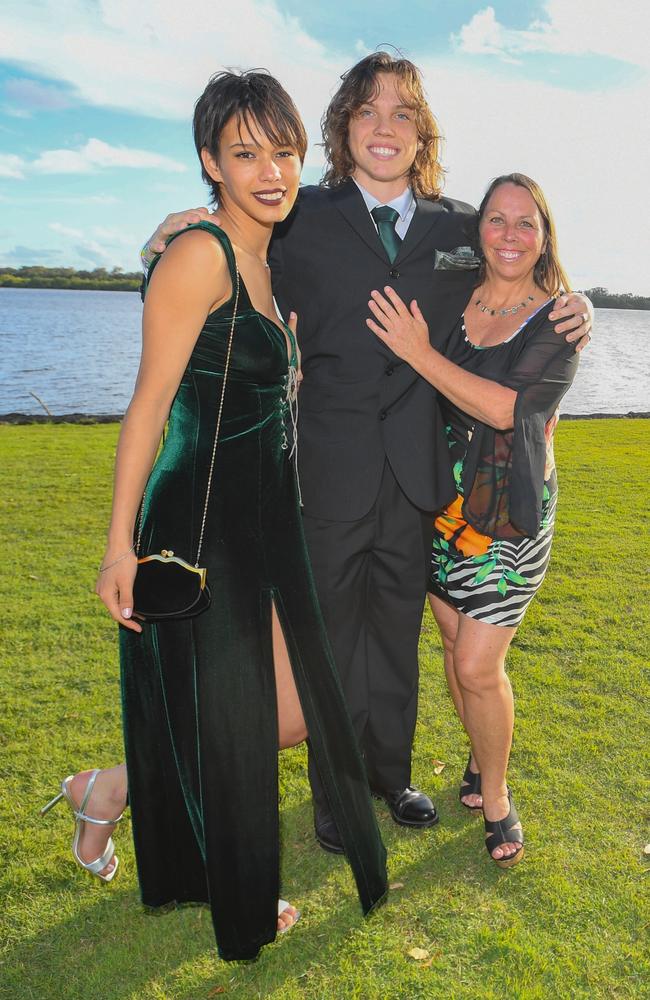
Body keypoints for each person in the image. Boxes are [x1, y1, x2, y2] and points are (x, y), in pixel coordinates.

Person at [140, 51, 593, 854]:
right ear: (343, 129)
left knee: (395, 637)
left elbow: (518, 261)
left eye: (402, 114)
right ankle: (337, 796)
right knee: (333, 637)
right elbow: (226, 252)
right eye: (368, 112)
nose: (385, 127)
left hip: (422, 476)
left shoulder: (461, 225)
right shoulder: (299, 214)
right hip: (328, 468)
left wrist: (577, 300)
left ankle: (392, 777)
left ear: (421, 134)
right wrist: (166, 230)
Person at [41, 70, 387, 962]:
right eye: (245, 154)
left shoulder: (269, 256)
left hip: (265, 514)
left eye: (282, 150)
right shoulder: (203, 255)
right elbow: (150, 406)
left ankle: (107, 788)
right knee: (235, 710)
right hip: (197, 521)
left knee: (290, 709)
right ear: (210, 162)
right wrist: (118, 546)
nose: (270, 170)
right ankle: (240, 883)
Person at [366, 172, 580, 867]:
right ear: (478, 230)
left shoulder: (560, 321)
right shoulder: (455, 294)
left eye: (527, 223)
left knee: (476, 665)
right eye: (497, 220)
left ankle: (496, 796)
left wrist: (418, 353)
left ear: (544, 235)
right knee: (457, 650)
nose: (511, 235)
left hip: (508, 515)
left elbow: (504, 408)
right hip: (439, 502)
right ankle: (479, 758)